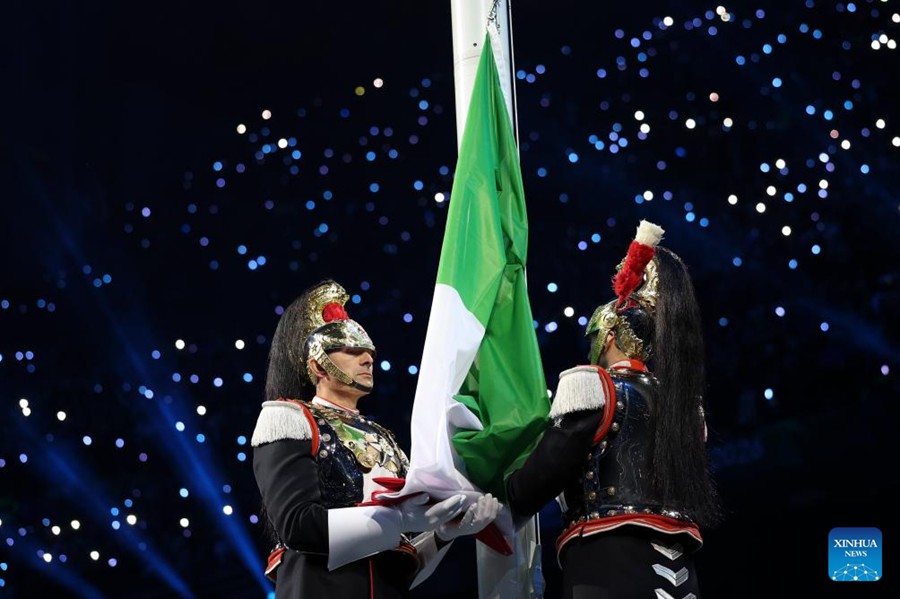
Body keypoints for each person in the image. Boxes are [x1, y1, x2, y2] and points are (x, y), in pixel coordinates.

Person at [505, 221, 721, 598]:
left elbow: (532, 487)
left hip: (608, 565)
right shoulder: (687, 409)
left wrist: (500, 483)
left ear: (606, 336)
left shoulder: (593, 387)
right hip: (683, 572)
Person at [252, 279, 500, 598]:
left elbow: (401, 566)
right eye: (352, 350)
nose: (368, 359)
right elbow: (298, 526)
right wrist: (397, 518)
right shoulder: (288, 418)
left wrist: (442, 535)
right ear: (318, 364)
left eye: (368, 352)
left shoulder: (385, 438)